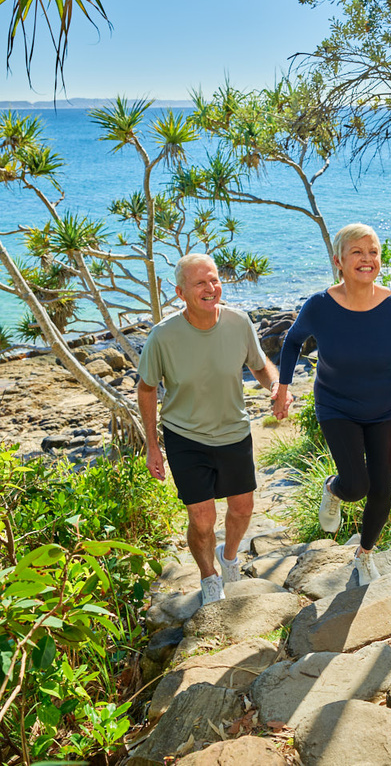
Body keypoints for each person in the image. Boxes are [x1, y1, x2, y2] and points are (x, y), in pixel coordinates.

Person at [271, 223, 391, 585]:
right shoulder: (321, 305)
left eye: (373, 252)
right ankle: (333, 489)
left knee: (382, 492)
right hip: (337, 406)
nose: (366, 259)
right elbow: (292, 343)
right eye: (357, 252)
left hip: (387, 408)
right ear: (339, 260)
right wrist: (283, 387)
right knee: (356, 486)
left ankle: (364, 555)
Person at [138, 253, 279, 607]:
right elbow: (146, 388)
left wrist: (276, 387)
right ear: (180, 292)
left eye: (214, 279)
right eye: (200, 282)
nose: (210, 287)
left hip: (234, 431)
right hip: (185, 436)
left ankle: (229, 557)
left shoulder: (238, 322)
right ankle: (208, 577)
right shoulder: (162, 336)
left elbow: (260, 367)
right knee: (202, 518)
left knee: (243, 509)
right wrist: (153, 447)